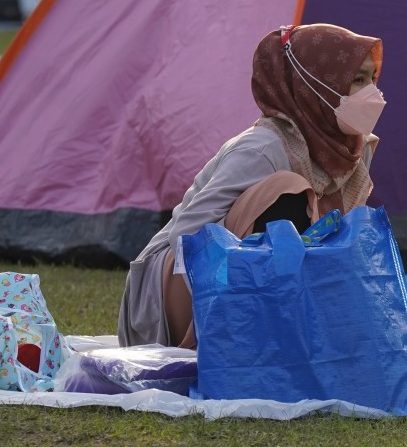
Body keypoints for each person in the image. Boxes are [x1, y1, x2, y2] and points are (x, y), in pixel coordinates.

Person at [118, 23, 385, 348]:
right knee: (289, 190)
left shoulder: (353, 153)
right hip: (175, 294)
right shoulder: (263, 147)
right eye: (356, 79)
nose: (371, 92)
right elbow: (185, 237)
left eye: (372, 78)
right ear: (315, 84)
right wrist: (245, 288)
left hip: (265, 297)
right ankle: (253, 342)